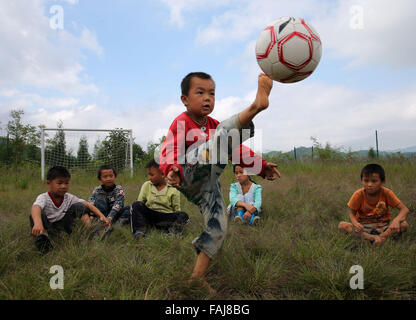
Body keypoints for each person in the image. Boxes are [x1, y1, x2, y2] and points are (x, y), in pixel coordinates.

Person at [159, 71, 280, 293]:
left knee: (218, 227)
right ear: (184, 99)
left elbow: (237, 151)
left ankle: (196, 278)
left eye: (212, 93)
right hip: (187, 172)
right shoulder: (181, 122)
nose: (207, 98)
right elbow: (169, 150)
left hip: (209, 186)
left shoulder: (214, 125)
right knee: (220, 137)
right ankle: (256, 107)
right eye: (200, 92)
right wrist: (172, 169)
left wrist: (261, 167)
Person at [30, 166, 111, 253]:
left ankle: (90, 232)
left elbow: (87, 204)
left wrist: (102, 216)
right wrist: (38, 223)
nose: (64, 186)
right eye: (59, 183)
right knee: (36, 215)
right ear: (49, 183)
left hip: (63, 228)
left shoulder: (69, 197)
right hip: (47, 228)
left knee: (79, 206)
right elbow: (36, 207)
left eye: (66, 183)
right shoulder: (44, 197)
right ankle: (44, 241)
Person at [338, 163, 409, 244]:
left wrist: (396, 220)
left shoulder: (387, 193)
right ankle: (374, 238)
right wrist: (355, 223)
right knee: (342, 225)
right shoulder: (358, 194)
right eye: (366, 180)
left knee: (403, 225)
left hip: (383, 226)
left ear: (382, 182)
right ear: (362, 180)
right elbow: (351, 213)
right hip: (364, 227)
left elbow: (404, 209)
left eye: (374, 181)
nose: (369, 184)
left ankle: (380, 237)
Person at [130, 159, 189, 239]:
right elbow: (140, 203)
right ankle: (139, 232)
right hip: (149, 217)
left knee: (183, 215)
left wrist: (177, 218)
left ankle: (172, 234)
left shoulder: (173, 189)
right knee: (136, 205)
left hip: (165, 219)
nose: (149, 177)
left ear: (162, 174)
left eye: (152, 175)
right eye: (148, 175)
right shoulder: (147, 185)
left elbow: (176, 210)